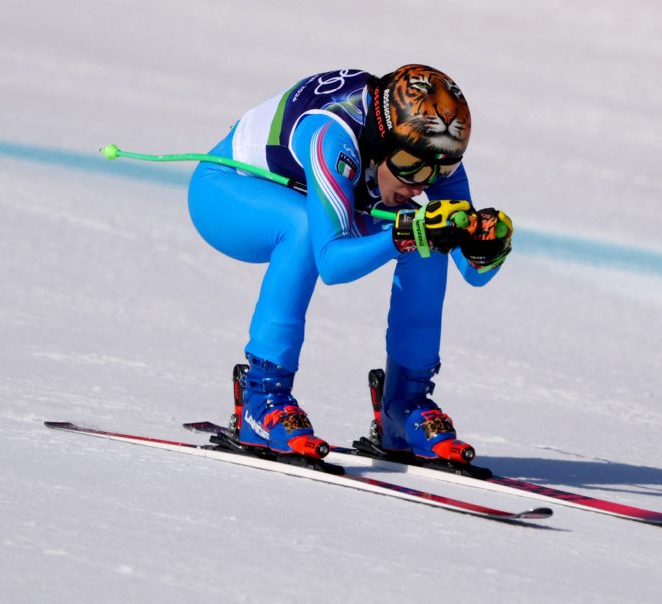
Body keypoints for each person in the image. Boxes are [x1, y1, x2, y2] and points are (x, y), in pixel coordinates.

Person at [187, 65, 513, 463]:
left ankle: (404, 407)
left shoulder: (429, 146)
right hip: (224, 193)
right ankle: (262, 397)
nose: (422, 183)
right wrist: (405, 233)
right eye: (410, 165)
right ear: (380, 140)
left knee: (430, 238)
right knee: (306, 228)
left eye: (441, 171)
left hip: (312, 196)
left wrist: (486, 246)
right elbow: (331, 263)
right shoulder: (331, 135)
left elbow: (471, 269)